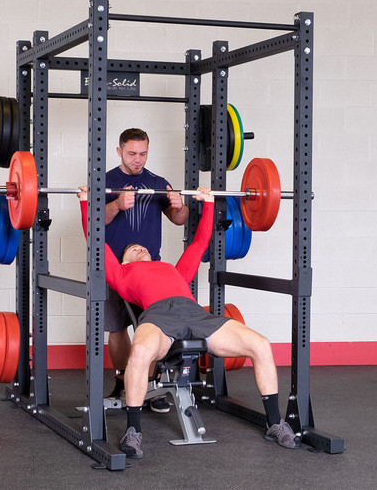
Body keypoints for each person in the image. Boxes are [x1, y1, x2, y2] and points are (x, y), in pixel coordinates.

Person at [78, 186, 301, 458]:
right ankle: (133, 431)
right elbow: (95, 240)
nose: (139, 247)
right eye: (132, 249)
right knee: (139, 352)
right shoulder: (121, 274)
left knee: (261, 344)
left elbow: (198, 244)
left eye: (141, 246)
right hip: (158, 317)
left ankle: (275, 424)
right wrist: (86, 203)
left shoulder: (174, 270)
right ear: (123, 261)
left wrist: (208, 204)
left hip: (196, 314)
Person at [104, 128, 189, 412]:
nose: (137, 159)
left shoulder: (157, 182)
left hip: (149, 274)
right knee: (116, 329)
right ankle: (121, 380)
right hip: (115, 269)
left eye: (142, 153)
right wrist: (116, 204)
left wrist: (180, 205)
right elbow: (92, 219)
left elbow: (179, 219)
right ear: (119, 152)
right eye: (131, 154)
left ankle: (151, 384)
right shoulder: (105, 181)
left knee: (151, 328)